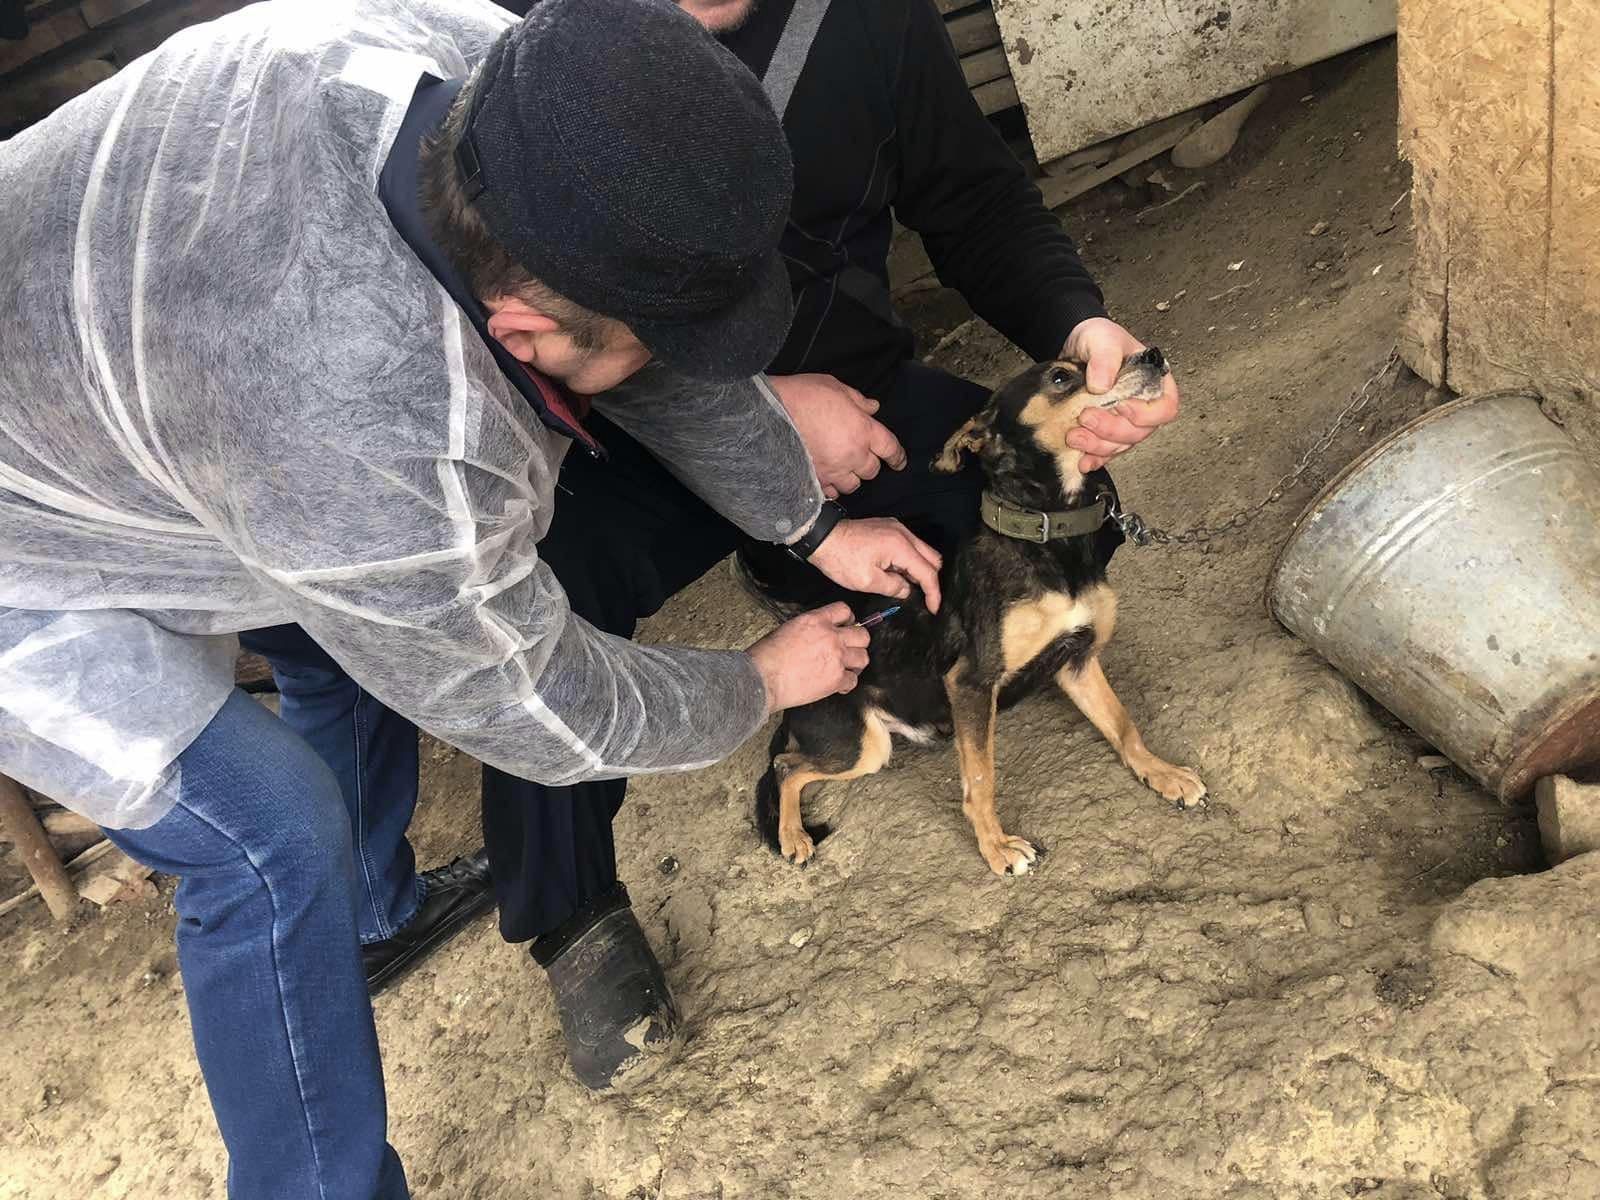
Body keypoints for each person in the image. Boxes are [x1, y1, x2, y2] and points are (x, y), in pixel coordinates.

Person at [0, 0, 950, 1192]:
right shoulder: (382, 443)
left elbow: (644, 341)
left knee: (340, 627)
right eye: (632, 343)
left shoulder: (501, 73)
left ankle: (378, 912)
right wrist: (754, 683)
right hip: (23, 536)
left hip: (143, 366)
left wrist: (806, 518)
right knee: (266, 837)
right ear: (518, 327)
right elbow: (537, 705)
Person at [368, 0, 1184, 1089]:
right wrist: (759, 412)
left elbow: (977, 201)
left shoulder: (872, 22)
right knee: (542, 590)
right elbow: (521, 334)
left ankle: (904, 652)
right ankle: (569, 915)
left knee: (1052, 506)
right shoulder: (541, 48)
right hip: (622, 437)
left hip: (858, 405)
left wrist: (1076, 328)